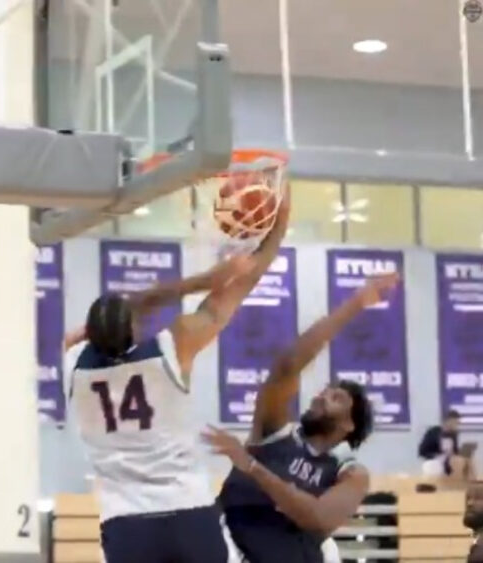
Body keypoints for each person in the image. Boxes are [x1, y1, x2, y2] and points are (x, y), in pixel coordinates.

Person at [63, 189, 291, 563]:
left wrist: (204, 279)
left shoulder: (73, 363)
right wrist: (274, 231)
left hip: (126, 523)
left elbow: (105, 322)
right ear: (134, 328)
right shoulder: (171, 349)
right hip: (188, 511)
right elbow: (238, 288)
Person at [203, 274, 397, 563]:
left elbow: (319, 518)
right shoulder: (275, 432)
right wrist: (355, 303)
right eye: (324, 391)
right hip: (233, 549)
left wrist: (254, 468)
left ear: (349, 425)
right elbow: (287, 366)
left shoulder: (351, 474)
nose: (320, 397)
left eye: (336, 398)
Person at [419, 410, 464, 477]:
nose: (457, 425)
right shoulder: (433, 432)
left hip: (448, 465)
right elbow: (422, 451)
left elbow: (455, 451)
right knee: (435, 467)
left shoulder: (454, 435)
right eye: (455, 423)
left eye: (458, 423)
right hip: (433, 463)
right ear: (448, 421)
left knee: (461, 463)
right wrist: (437, 456)